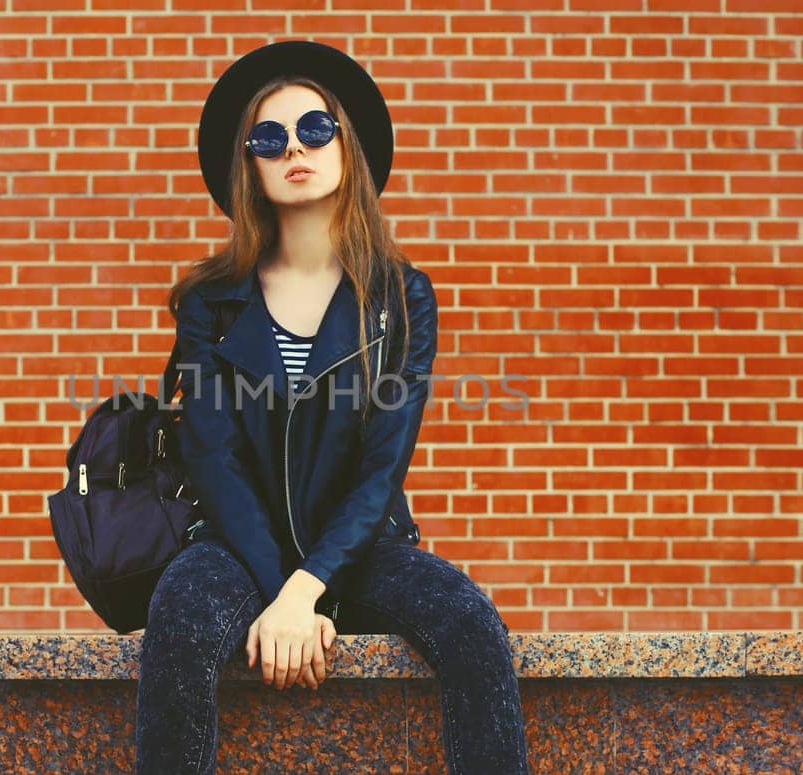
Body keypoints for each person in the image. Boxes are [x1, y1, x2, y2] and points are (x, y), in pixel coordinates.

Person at [134, 40, 531, 774]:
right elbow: (213, 456)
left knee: (470, 622)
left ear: (346, 146)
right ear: (249, 166)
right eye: (269, 138)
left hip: (361, 544)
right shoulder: (210, 302)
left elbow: (384, 464)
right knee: (182, 620)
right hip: (232, 543)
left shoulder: (400, 297)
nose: (294, 148)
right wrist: (277, 589)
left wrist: (310, 585)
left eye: (314, 129)